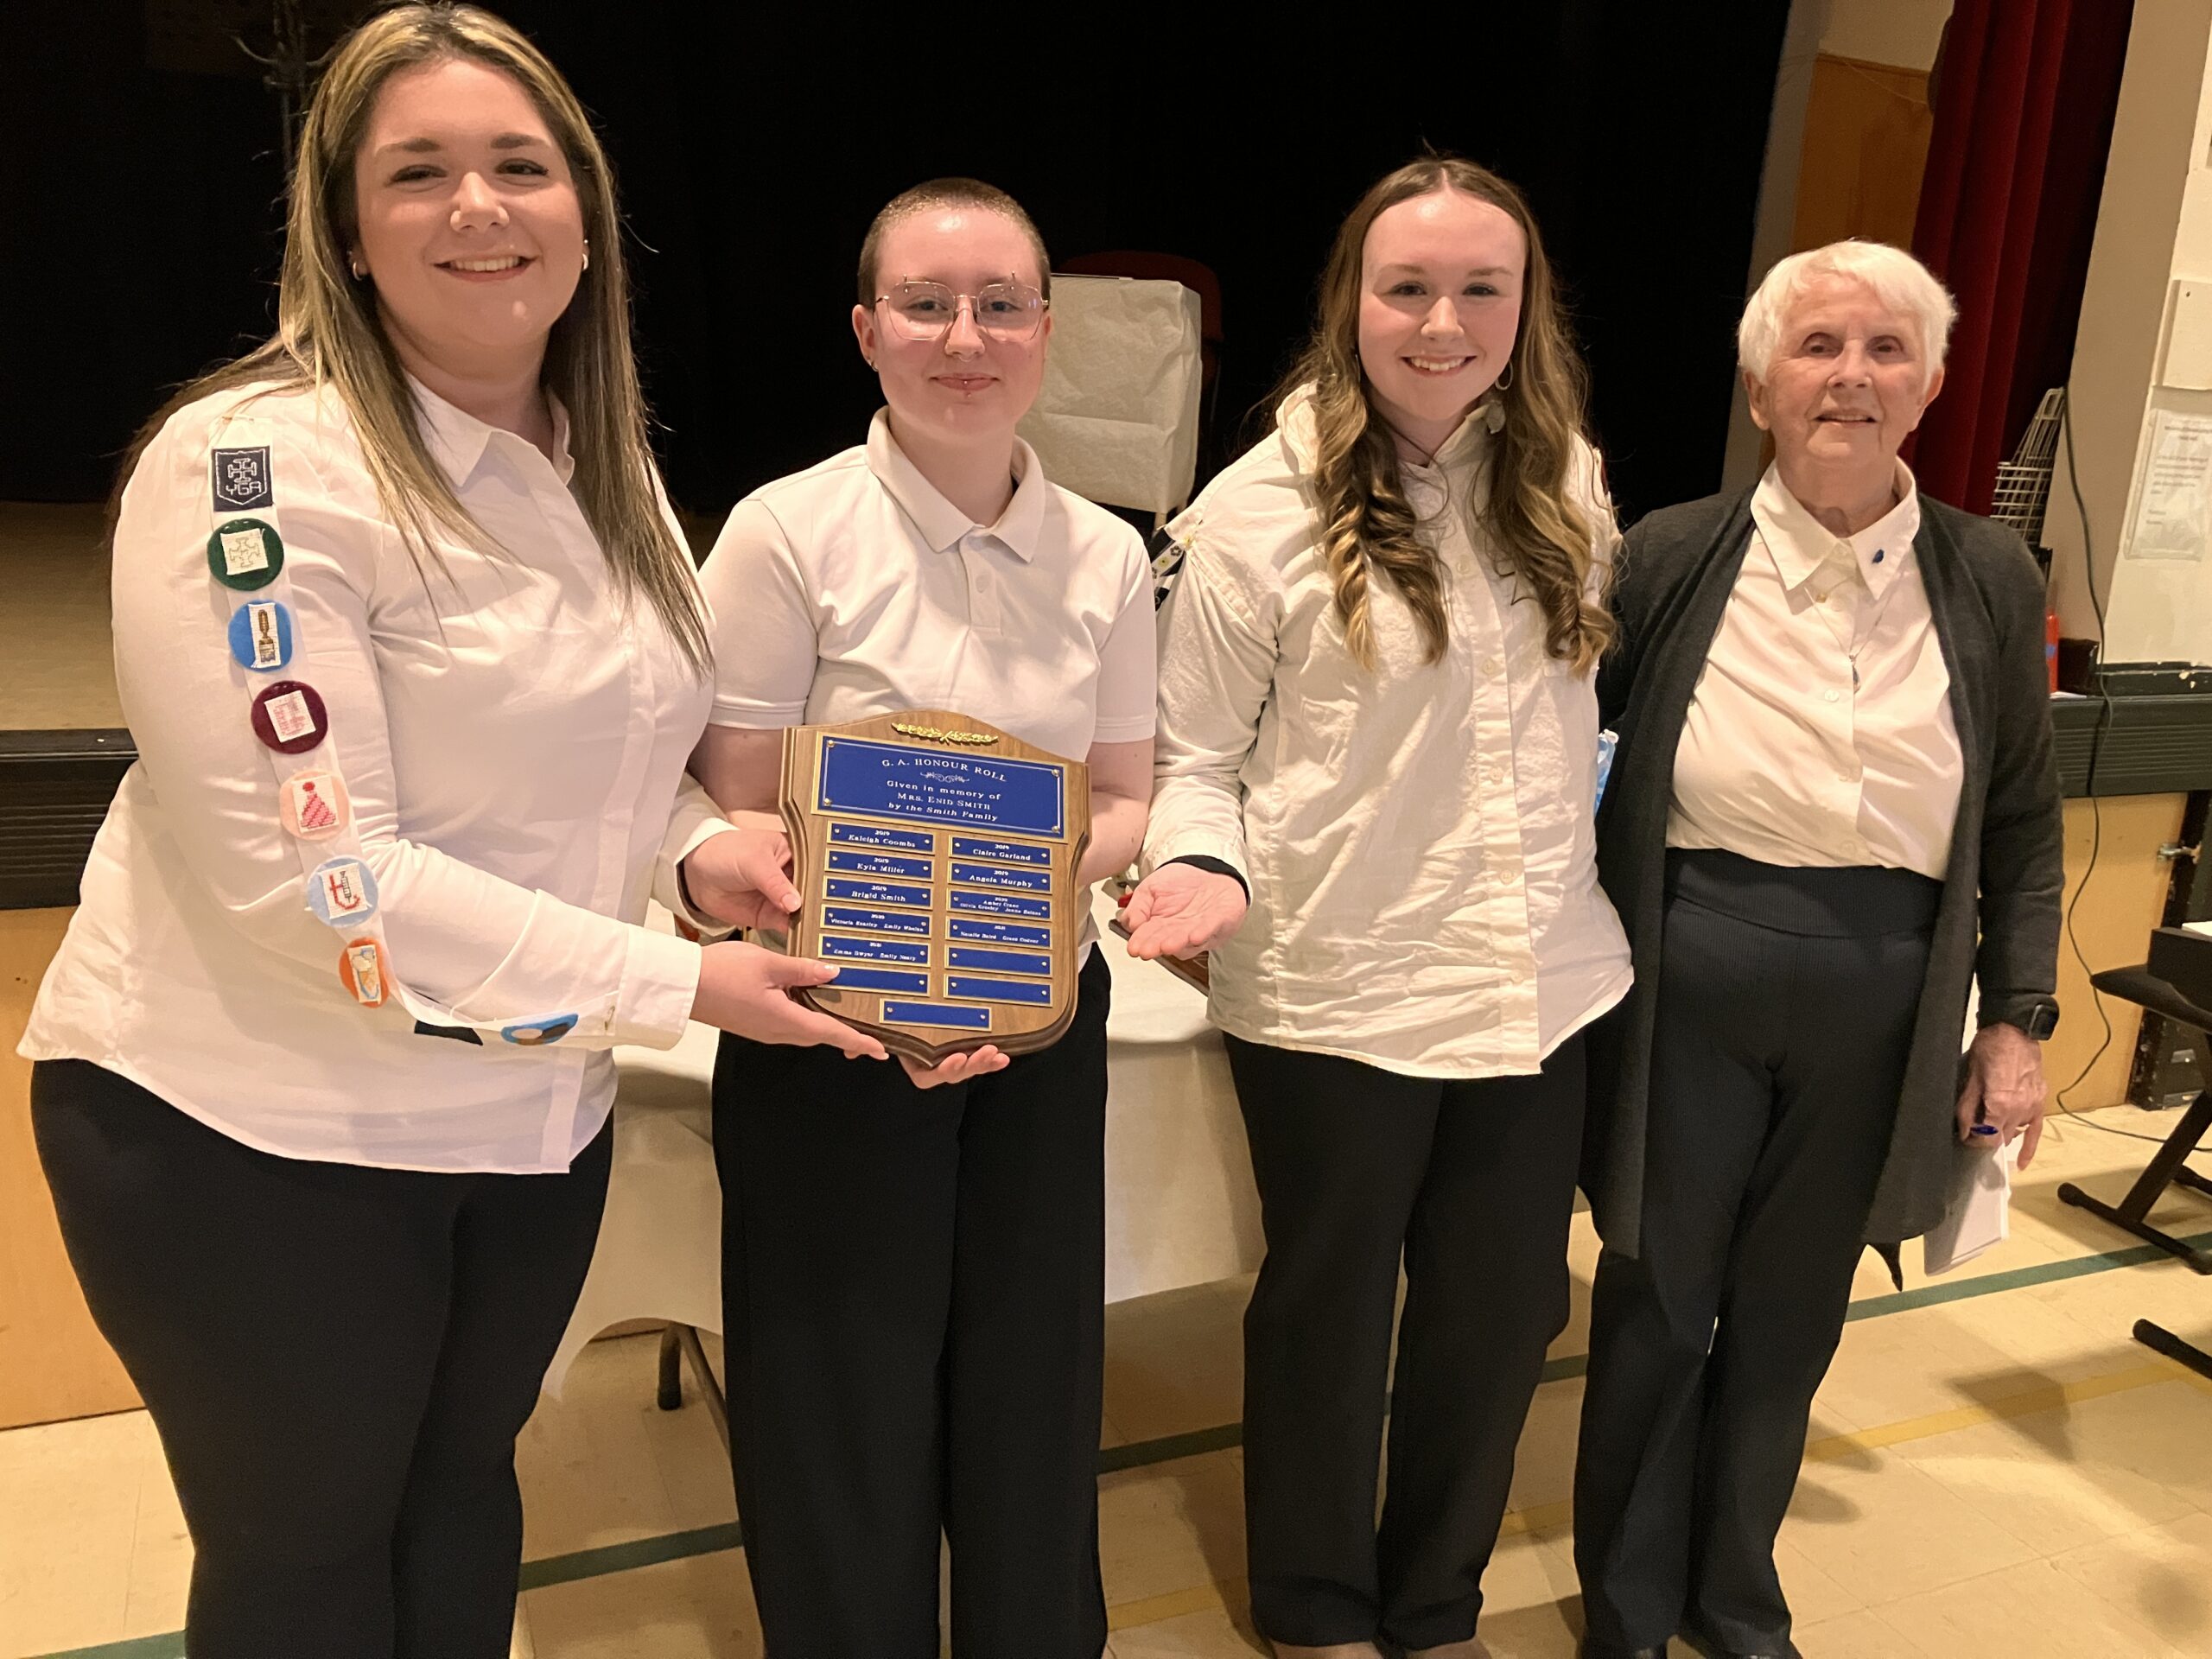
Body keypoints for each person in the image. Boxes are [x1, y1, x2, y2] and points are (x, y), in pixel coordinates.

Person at [18, 9, 877, 1655]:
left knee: (464, 1502)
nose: (478, 206)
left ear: (587, 213)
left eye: (519, 166)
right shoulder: (252, 470)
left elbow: (616, 743)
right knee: (310, 1562)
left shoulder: (596, 456)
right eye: (417, 172)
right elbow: (319, 880)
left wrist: (698, 851)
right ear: (346, 231)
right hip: (262, 1136)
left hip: (525, 1120)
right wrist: (685, 983)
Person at [1123, 156, 1629, 1659]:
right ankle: (1318, 1607)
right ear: (1353, 301)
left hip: (1539, 983)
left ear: (1526, 308)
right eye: (1407, 288)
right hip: (1336, 989)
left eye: (1481, 288)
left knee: (1504, 1314)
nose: (1442, 322)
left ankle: (1435, 1602)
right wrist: (1199, 863)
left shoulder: (1569, 482)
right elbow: (1193, 761)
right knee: (1331, 1316)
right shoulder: (1253, 515)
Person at [1572, 240, 2063, 1659]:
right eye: (1819, 346)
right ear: (1760, 386)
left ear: (1930, 386)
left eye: (1886, 349)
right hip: (1689, 976)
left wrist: (2017, 1017)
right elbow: (1571, 758)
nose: (1852, 376)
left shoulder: (1989, 573)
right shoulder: (1667, 555)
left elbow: (2022, 819)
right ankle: (1626, 1613)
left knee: (1792, 1318)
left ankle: (1736, 1601)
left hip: (1887, 994)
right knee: (1660, 1303)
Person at [690, 177, 1156, 1659]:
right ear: (867, 331)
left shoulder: (1109, 554)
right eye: (928, 304)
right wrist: (891, 946)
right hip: (832, 1024)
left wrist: (1016, 899)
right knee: (837, 1392)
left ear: (1047, 331)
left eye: (1002, 305)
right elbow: (737, 802)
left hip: (1038, 1022)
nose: (968, 337)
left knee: (1033, 1382)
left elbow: (1125, 800)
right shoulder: (786, 532)